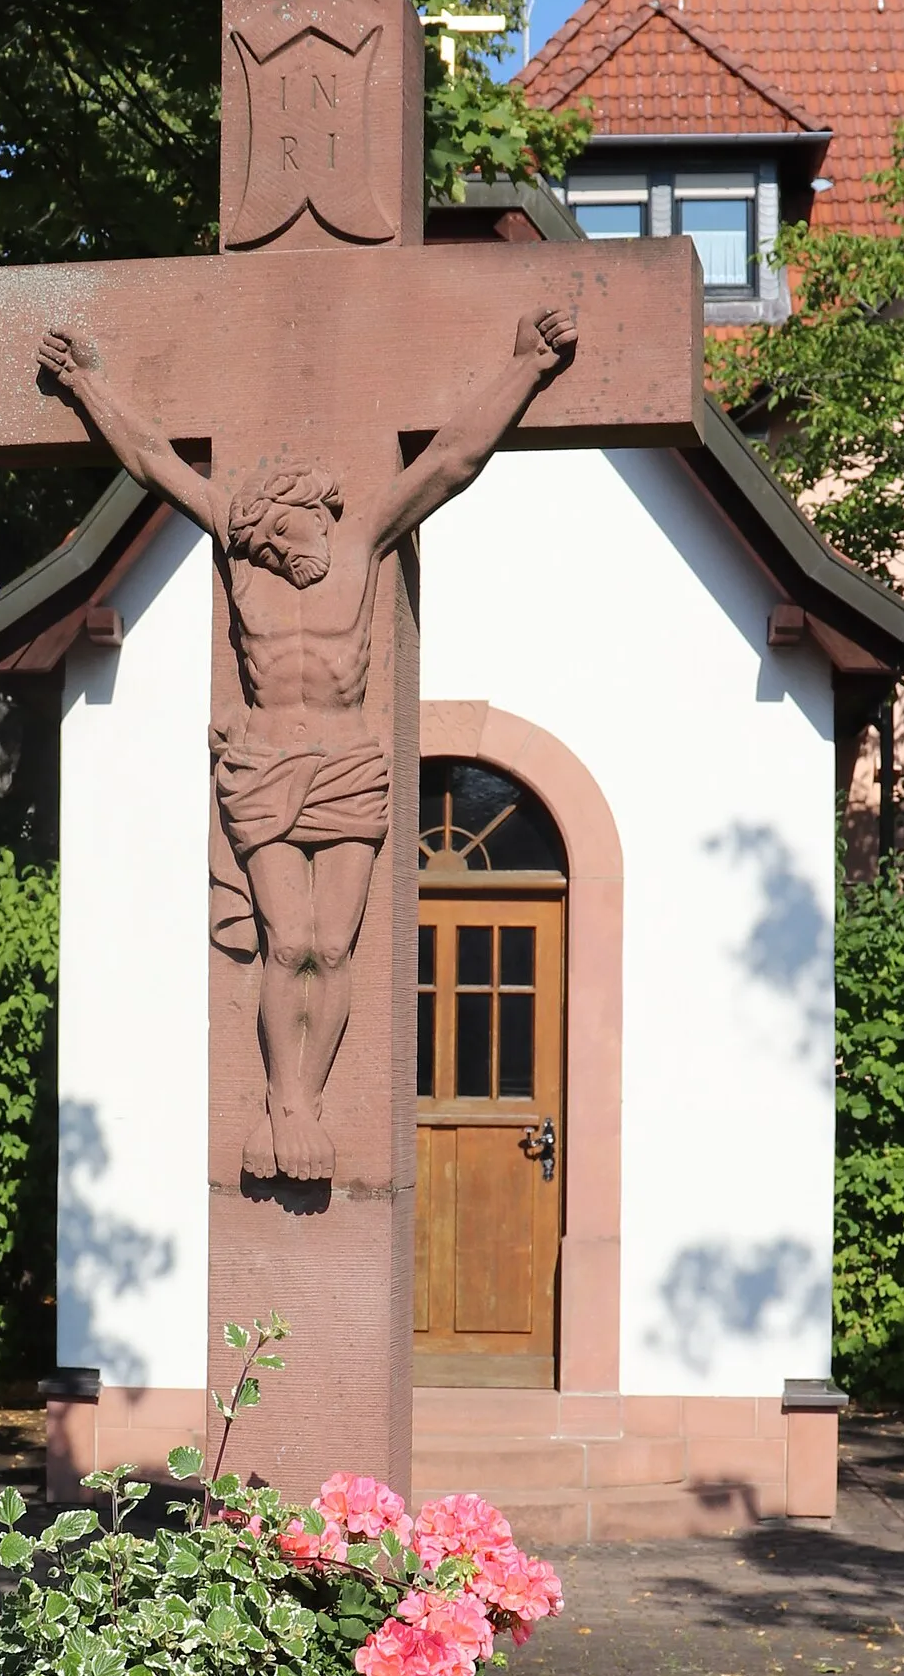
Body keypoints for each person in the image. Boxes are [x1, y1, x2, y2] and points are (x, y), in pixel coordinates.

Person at [37, 306, 576, 1181]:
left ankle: (310, 1099)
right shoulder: (239, 548)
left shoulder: (362, 541)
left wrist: (526, 366)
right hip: (262, 769)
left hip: (349, 768)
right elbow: (152, 461)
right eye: (266, 545)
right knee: (287, 944)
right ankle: (284, 1101)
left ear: (312, 513)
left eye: (287, 538)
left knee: (337, 945)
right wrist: (87, 379)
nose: (285, 556)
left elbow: (450, 461)